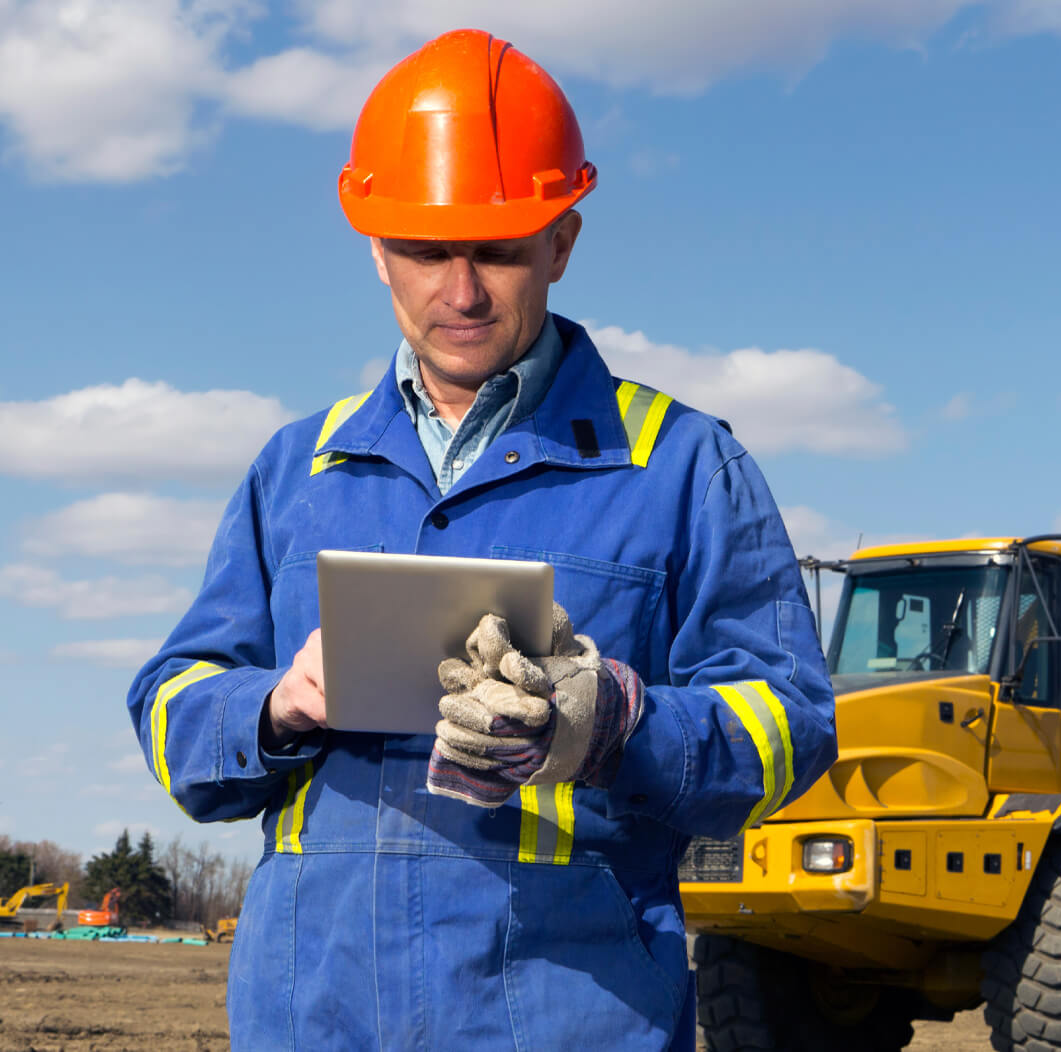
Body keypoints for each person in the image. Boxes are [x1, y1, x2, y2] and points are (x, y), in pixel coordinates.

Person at [125, 29, 835, 1050]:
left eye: (497, 249)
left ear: (562, 242)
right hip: (315, 1020)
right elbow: (171, 703)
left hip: (573, 1022)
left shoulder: (682, 466)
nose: (461, 291)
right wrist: (275, 705)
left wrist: (619, 723)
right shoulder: (297, 470)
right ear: (375, 249)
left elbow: (792, 727)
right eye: (424, 249)